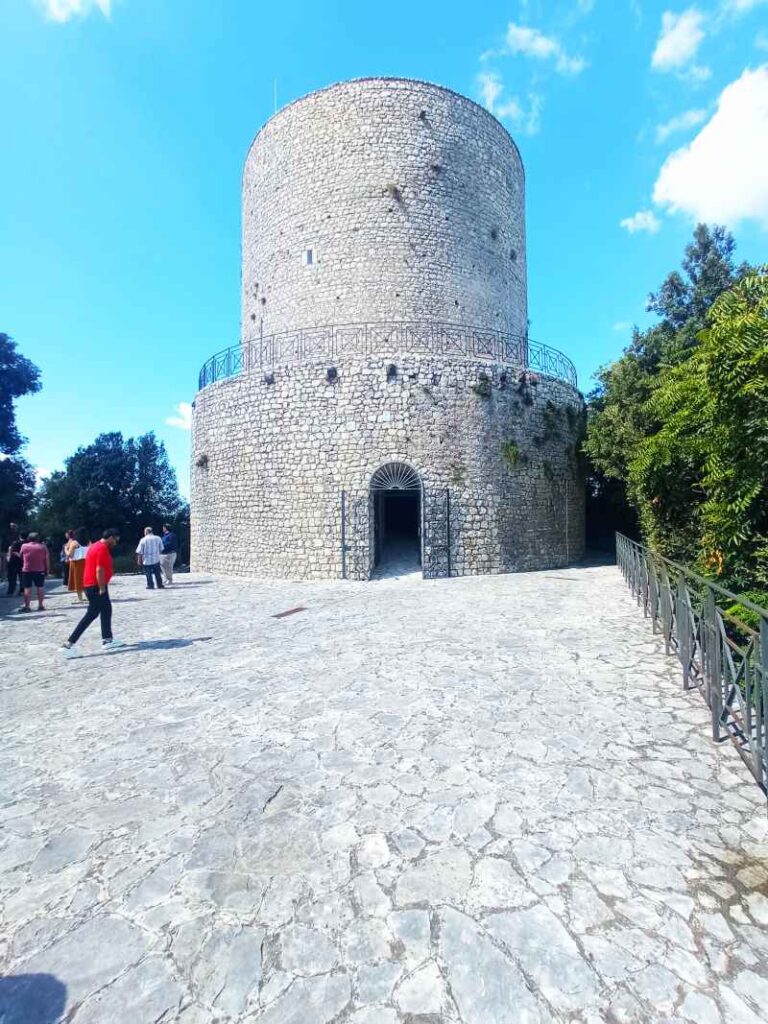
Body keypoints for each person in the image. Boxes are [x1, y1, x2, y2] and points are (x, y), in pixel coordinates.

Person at [61, 528, 125, 656]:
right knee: (91, 614)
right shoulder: (101, 548)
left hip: (93, 584)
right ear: (111, 537)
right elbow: (99, 570)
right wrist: (102, 587)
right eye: (116, 540)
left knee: (106, 609)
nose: (116, 543)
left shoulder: (95, 545)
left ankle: (107, 640)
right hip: (96, 586)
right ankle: (68, 645)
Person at [18, 532, 50, 613]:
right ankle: (40, 605)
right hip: (40, 569)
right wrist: (47, 569)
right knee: (40, 587)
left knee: (27, 588)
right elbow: (46, 559)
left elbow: (21, 556)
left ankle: (27, 607)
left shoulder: (24, 546)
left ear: (28, 538)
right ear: (38, 538)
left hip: (27, 570)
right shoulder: (43, 547)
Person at [65, 530, 87, 602]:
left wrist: (65, 549)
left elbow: (70, 555)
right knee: (85, 580)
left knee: (77, 580)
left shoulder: (74, 543)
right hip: (86, 562)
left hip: (77, 563)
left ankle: (80, 598)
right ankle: (88, 596)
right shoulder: (88, 542)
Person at [6, 528, 24, 597]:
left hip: (13, 562)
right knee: (22, 578)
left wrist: (8, 560)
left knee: (12, 578)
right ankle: (22, 591)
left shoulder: (15, 543)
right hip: (23, 563)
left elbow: (11, 552)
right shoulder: (27, 543)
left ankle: (10, 592)